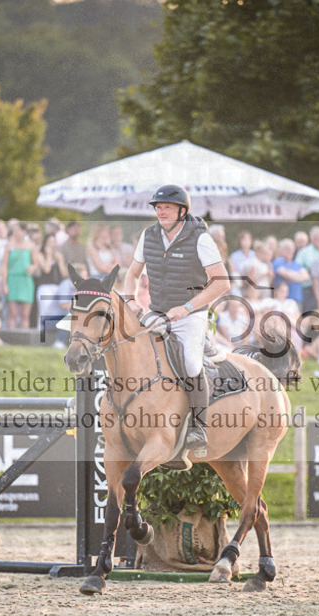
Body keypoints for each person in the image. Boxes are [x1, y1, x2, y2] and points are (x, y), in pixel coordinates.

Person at [119, 184, 229, 462]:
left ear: (182, 210)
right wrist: (131, 300)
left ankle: (198, 428)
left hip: (191, 314)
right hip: (157, 311)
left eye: (166, 207)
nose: (160, 211)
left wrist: (188, 307)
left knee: (191, 364)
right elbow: (132, 274)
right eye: (157, 207)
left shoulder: (200, 238)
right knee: (128, 351)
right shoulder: (148, 235)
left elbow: (222, 282)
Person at [1, 220, 35, 330]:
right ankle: (11, 336)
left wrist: (32, 268)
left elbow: (36, 263)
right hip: (13, 279)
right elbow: (4, 265)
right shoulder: (9, 246)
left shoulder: (30, 246)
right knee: (12, 313)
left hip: (25, 279)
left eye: (18, 230)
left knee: (25, 314)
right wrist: (4, 284)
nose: (15, 233)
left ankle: (24, 339)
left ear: (24, 231)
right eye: (14, 231)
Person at [34, 231, 67, 339]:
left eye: (54, 242)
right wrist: (48, 255)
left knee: (57, 311)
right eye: (50, 242)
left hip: (57, 287)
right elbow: (46, 269)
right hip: (45, 287)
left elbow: (64, 273)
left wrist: (60, 260)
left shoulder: (58, 255)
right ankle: (41, 334)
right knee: (45, 311)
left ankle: (54, 332)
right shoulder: (41, 254)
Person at [272, 238, 309, 308]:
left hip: (297, 299)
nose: (289, 251)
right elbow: (285, 275)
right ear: (281, 250)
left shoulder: (297, 264)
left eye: (291, 249)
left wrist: (290, 274)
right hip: (282, 299)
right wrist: (298, 275)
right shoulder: (278, 262)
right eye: (287, 248)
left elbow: (306, 276)